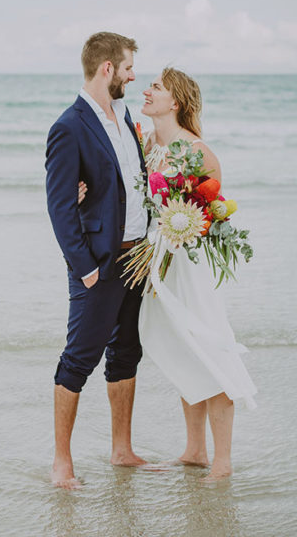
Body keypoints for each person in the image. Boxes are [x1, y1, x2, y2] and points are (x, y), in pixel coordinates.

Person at [79, 68, 257, 482]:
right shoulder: (142, 143)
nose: (146, 90)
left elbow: (210, 215)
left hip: (185, 267)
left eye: (156, 87)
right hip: (154, 262)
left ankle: (223, 461)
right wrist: (81, 190)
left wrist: (183, 226)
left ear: (174, 102)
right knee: (179, 352)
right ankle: (195, 451)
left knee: (206, 349)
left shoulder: (198, 150)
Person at [45, 32, 149, 490]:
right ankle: (61, 462)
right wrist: (84, 266)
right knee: (78, 360)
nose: (132, 75)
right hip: (98, 265)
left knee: (126, 352)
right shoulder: (69, 126)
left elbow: (128, 184)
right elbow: (59, 205)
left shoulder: (124, 119)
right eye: (128, 67)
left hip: (136, 260)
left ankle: (121, 450)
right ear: (107, 68)